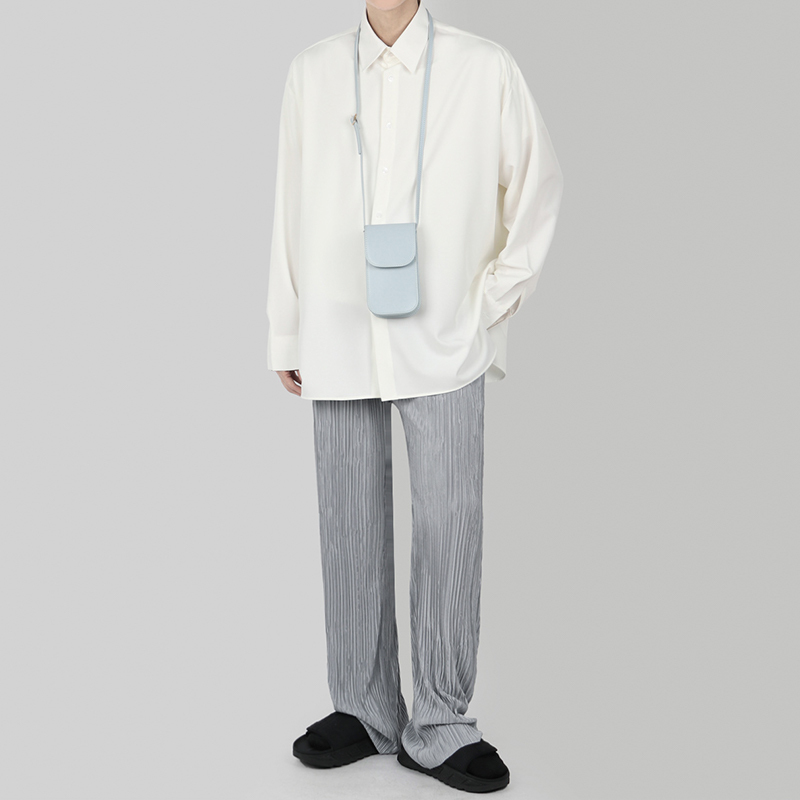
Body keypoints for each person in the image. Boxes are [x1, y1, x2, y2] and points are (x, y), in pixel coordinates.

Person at [266, 0, 563, 792]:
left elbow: (538, 187)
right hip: (338, 331)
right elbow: (290, 204)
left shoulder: (483, 67)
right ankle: (365, 708)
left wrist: (488, 301)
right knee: (348, 521)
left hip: (443, 338)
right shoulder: (312, 72)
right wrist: (287, 331)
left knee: (449, 523)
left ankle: (439, 719)